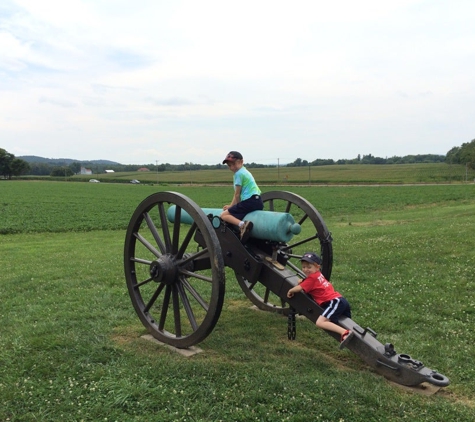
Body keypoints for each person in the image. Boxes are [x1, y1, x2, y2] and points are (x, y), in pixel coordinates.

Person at [287, 252, 354, 349]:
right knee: (343, 322)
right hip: (340, 301)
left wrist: (290, 290)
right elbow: (308, 282)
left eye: (309, 267)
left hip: (333, 302)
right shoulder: (318, 275)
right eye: (304, 267)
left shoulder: (312, 279)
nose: (306, 269)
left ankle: (345, 333)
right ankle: (348, 331)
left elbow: (299, 288)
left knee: (320, 322)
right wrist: (303, 281)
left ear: (317, 267)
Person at [220, 151, 263, 242]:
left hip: (249, 201)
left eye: (233, 164)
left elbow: (237, 194)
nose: (232, 167)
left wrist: (231, 206)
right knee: (235, 213)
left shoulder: (238, 174)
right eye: (229, 165)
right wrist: (232, 206)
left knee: (224, 215)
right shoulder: (245, 171)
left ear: (241, 162)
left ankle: (242, 225)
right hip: (257, 201)